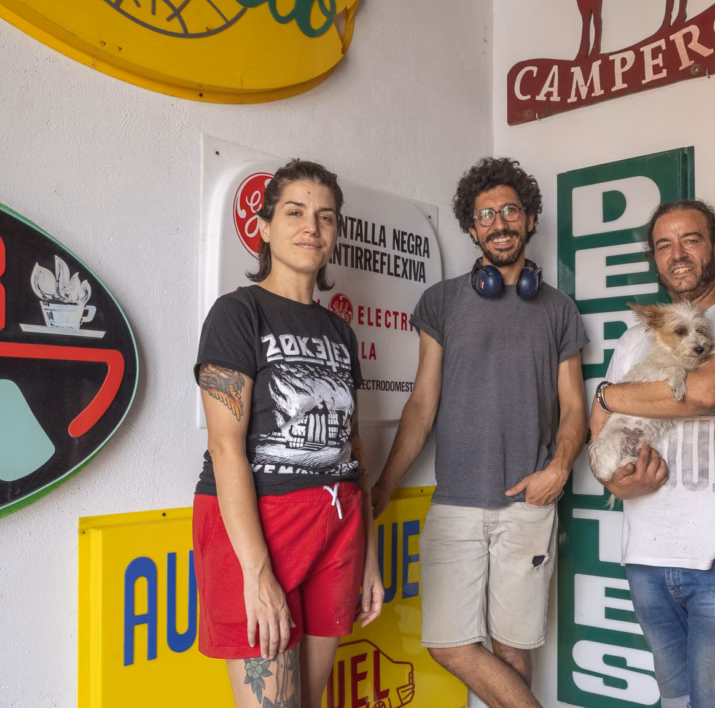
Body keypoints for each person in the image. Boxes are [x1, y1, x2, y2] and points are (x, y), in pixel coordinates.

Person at [371, 157, 588, 708]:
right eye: (485, 214)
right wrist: (384, 485)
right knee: (449, 643)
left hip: (527, 504)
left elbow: (573, 407)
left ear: (531, 218)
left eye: (509, 210)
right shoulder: (441, 302)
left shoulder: (559, 310)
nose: (499, 222)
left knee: (513, 648)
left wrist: (559, 469)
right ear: (472, 229)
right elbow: (422, 403)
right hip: (456, 503)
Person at [192, 160, 384, 708]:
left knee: (309, 702)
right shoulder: (237, 313)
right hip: (261, 524)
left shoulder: (339, 332)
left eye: (325, 217)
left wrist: (367, 556)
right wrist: (257, 574)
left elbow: (353, 444)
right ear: (264, 226)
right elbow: (225, 445)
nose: (311, 227)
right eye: (295, 212)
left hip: (338, 522)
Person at [590, 199, 715, 708]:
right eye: (664, 245)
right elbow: (601, 433)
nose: (677, 253)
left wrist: (609, 395)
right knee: (675, 701)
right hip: (646, 554)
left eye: (691, 240)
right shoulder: (635, 337)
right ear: (655, 260)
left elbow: (702, 392)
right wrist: (616, 482)